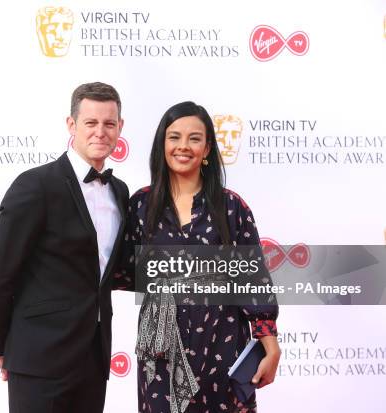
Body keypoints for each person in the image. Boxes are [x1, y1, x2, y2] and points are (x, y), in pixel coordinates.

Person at [115, 102, 280, 413]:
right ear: (162, 145)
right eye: (174, 137)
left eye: (194, 138)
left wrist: (270, 345)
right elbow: (122, 271)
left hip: (222, 344)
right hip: (161, 353)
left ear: (206, 149)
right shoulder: (140, 205)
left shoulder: (232, 207)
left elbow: (253, 280)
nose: (183, 146)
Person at [0, 82, 129, 413]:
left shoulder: (119, 191)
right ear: (72, 125)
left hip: (93, 358)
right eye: (91, 123)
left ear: (120, 127)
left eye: (109, 123)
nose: (100, 132)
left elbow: (111, 269)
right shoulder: (36, 184)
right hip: (39, 356)